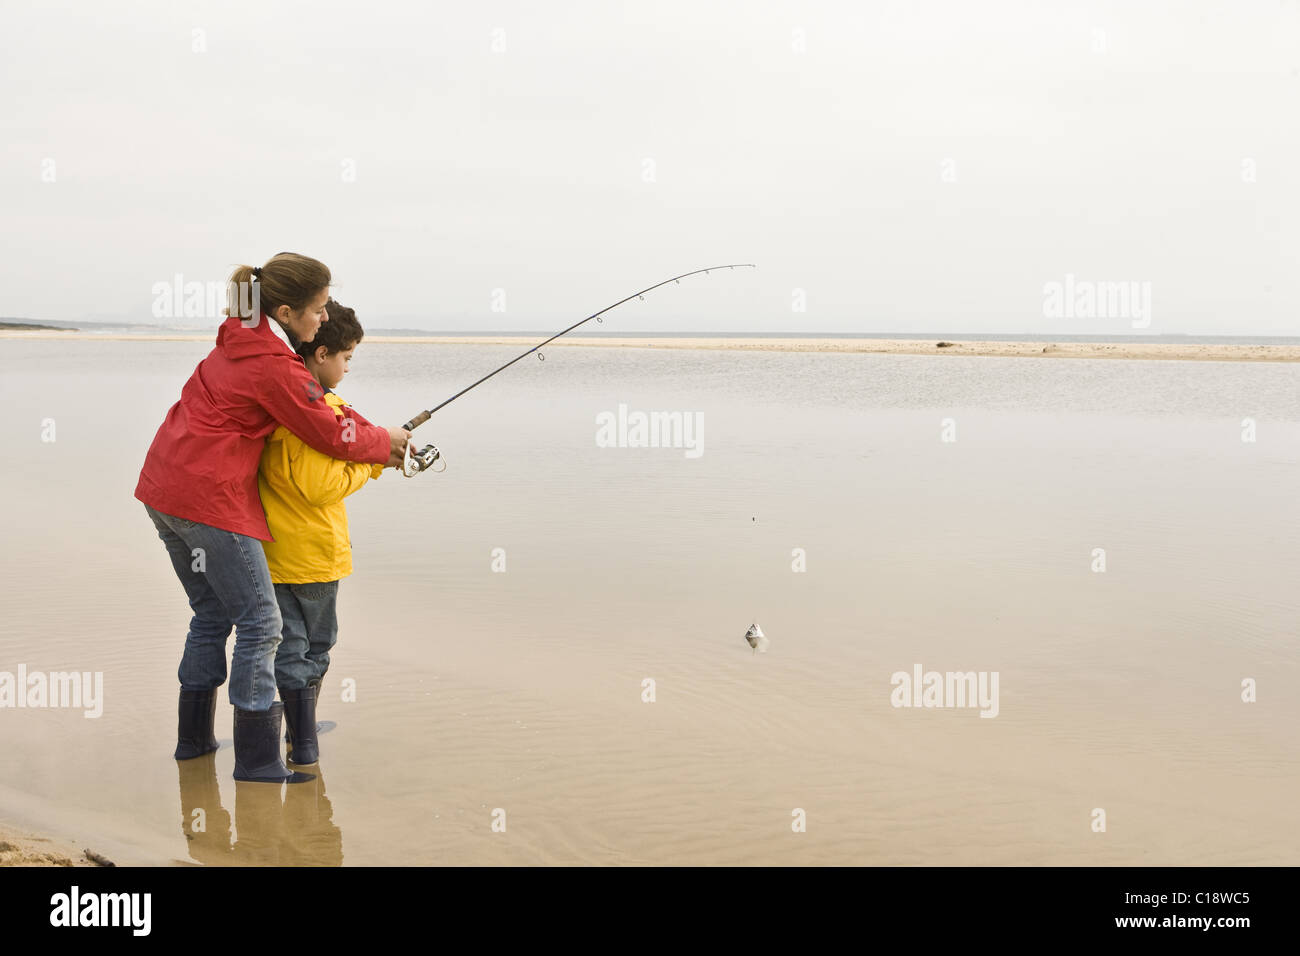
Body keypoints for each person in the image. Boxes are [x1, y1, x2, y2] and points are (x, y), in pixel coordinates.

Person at [135, 252, 411, 784]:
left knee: (212, 616)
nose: (324, 319)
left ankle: (193, 742)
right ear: (285, 312)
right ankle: (258, 759)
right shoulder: (272, 363)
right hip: (205, 499)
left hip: (163, 489)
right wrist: (385, 446)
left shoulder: (237, 339)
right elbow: (329, 431)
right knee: (262, 622)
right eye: (319, 309)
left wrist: (370, 434)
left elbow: (322, 405)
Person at [258, 298, 383, 765]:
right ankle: (303, 740)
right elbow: (319, 488)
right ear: (321, 353)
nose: (349, 368)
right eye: (347, 357)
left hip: (275, 552)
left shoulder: (285, 407)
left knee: (288, 647)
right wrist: (372, 465)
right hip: (312, 557)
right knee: (313, 648)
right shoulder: (309, 416)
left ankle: (296, 732)